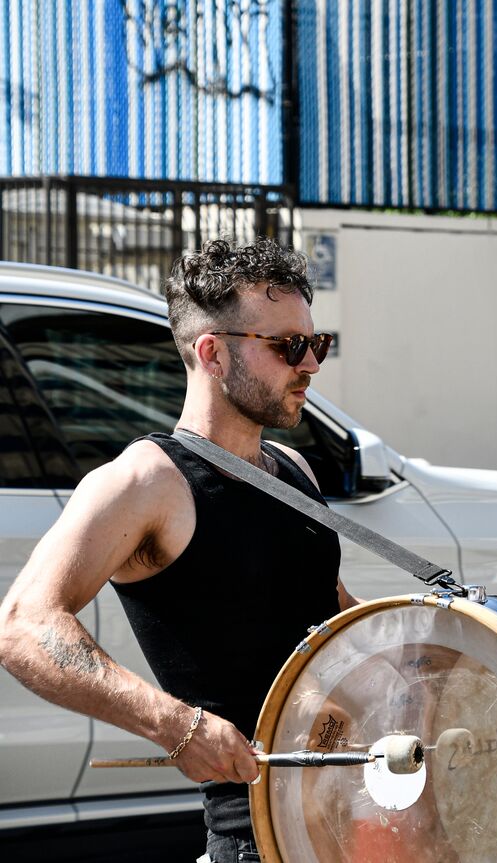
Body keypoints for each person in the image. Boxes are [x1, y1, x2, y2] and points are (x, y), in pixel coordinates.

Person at [0, 238, 354, 863]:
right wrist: (175, 726)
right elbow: (24, 626)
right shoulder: (146, 482)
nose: (311, 365)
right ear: (213, 354)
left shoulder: (295, 470)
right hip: (258, 841)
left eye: (315, 342)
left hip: (354, 821)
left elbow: (333, 621)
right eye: (289, 347)